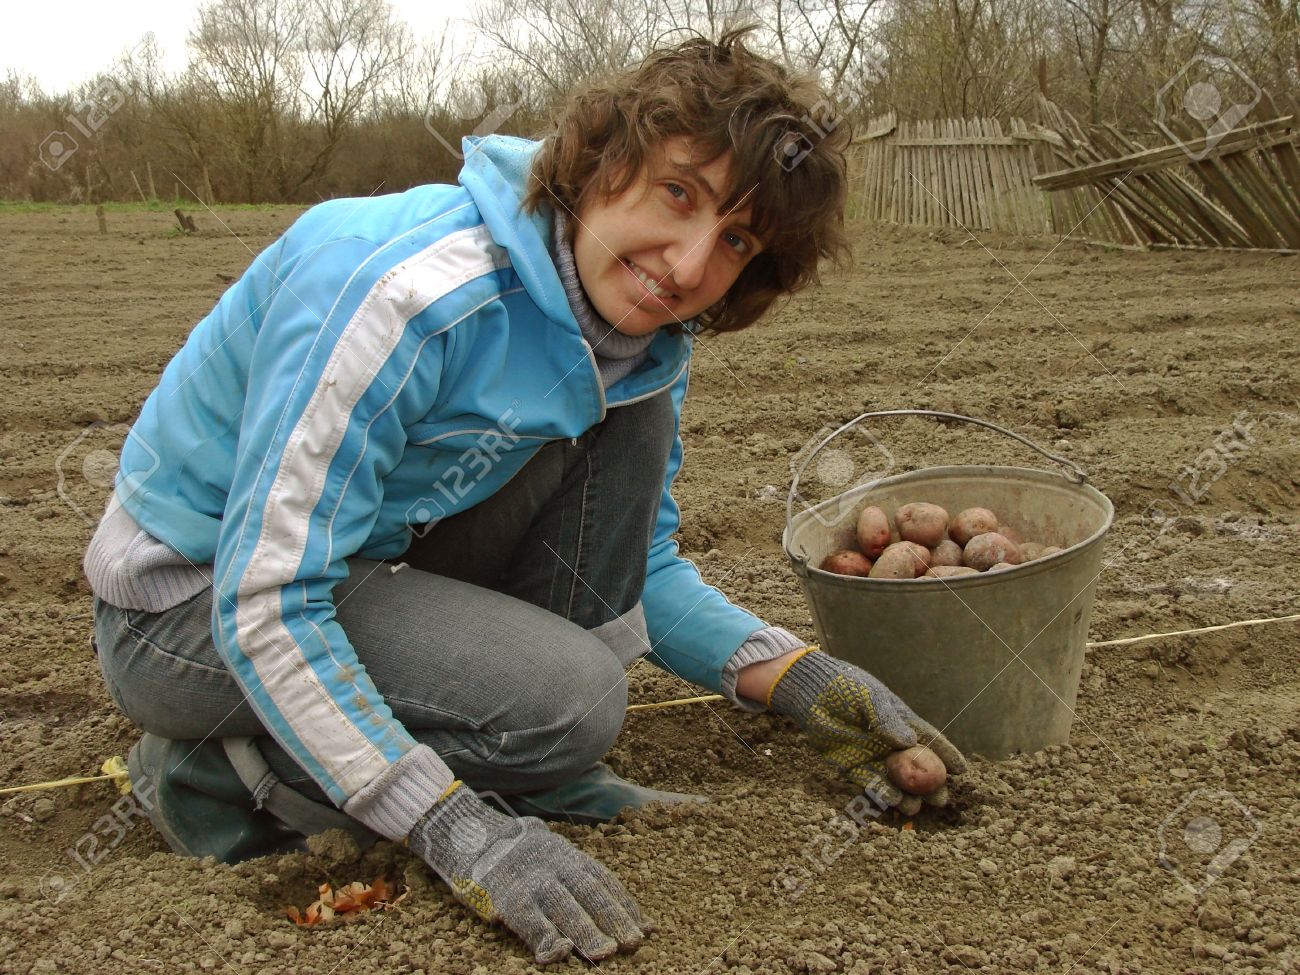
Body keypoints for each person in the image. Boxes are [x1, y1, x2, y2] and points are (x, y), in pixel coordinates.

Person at [85, 28, 965, 964]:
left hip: (364, 562)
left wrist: (800, 678)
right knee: (567, 704)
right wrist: (457, 828)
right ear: (604, 160)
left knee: (630, 431)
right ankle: (230, 774)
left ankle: (522, 765)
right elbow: (266, 597)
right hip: (189, 607)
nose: (687, 263)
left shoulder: (639, 345)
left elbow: (640, 571)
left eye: (737, 240)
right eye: (679, 192)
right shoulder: (402, 293)